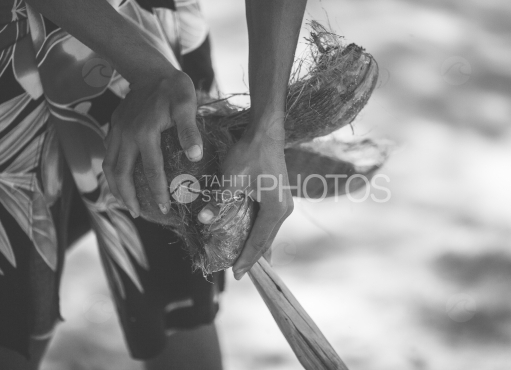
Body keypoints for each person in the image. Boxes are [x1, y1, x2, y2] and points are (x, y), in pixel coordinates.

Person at [0, 0, 306, 369]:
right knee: (11, 325)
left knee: (178, 310)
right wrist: (148, 70)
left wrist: (267, 126)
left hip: (148, 25)